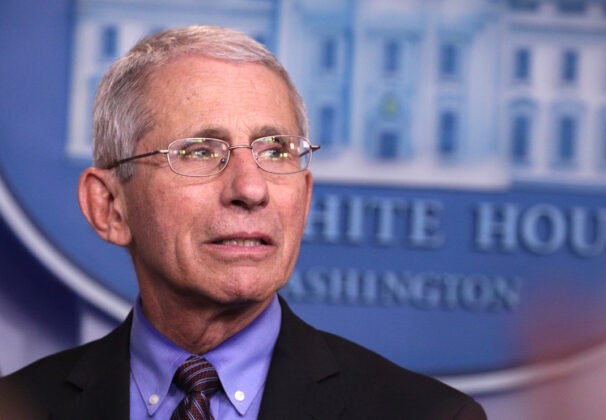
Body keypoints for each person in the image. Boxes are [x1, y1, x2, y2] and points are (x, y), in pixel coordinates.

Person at [0, 26, 486, 420]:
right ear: (109, 206)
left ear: (306, 196)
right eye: (198, 152)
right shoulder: (21, 408)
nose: (251, 190)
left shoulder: (428, 416)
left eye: (275, 151)